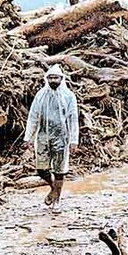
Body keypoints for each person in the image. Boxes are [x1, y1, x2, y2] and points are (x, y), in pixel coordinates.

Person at [23, 65, 80, 210]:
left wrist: (74, 141)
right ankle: (53, 188)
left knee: (59, 170)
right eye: (51, 78)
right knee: (41, 169)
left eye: (56, 78)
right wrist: (28, 137)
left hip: (62, 137)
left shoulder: (69, 96)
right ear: (46, 79)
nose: (53, 80)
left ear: (62, 79)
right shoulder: (41, 95)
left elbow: (73, 119)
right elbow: (33, 116)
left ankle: (57, 200)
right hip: (43, 136)